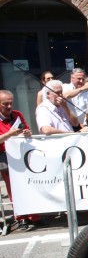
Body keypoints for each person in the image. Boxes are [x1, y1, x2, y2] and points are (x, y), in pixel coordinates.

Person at [0, 90, 40, 231]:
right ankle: (21, 217)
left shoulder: (17, 114)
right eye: (5, 104)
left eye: (11, 103)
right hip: (6, 157)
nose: (9, 106)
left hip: (23, 155)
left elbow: (27, 130)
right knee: (14, 188)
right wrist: (10, 134)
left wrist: (27, 133)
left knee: (30, 185)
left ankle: (34, 216)